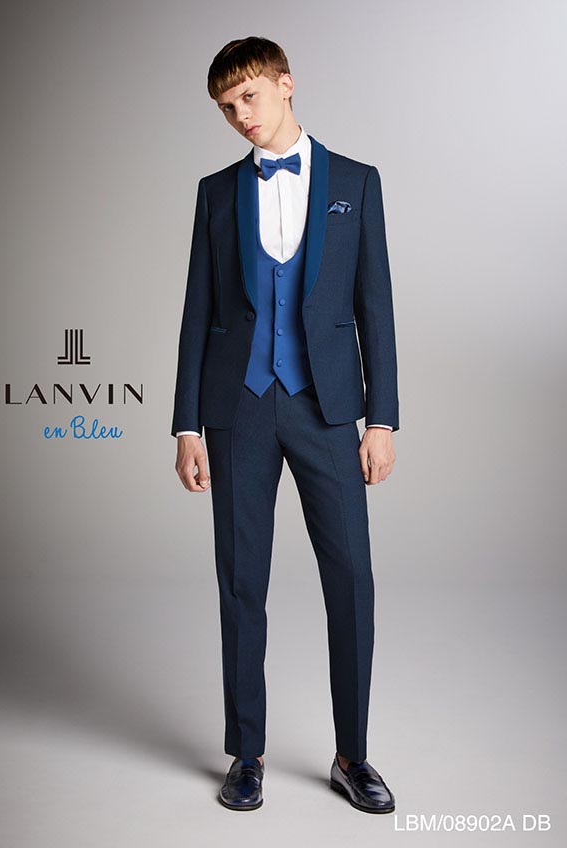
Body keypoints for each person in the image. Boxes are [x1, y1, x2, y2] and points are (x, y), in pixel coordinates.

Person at [171, 36, 399, 813]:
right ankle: (247, 754)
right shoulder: (215, 193)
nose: (240, 115)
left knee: (353, 582)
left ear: (285, 83)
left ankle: (353, 755)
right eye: (226, 107)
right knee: (242, 583)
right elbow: (197, 312)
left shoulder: (357, 183)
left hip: (326, 408)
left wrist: (382, 418)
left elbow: (376, 306)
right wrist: (186, 426)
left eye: (249, 96)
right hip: (237, 408)